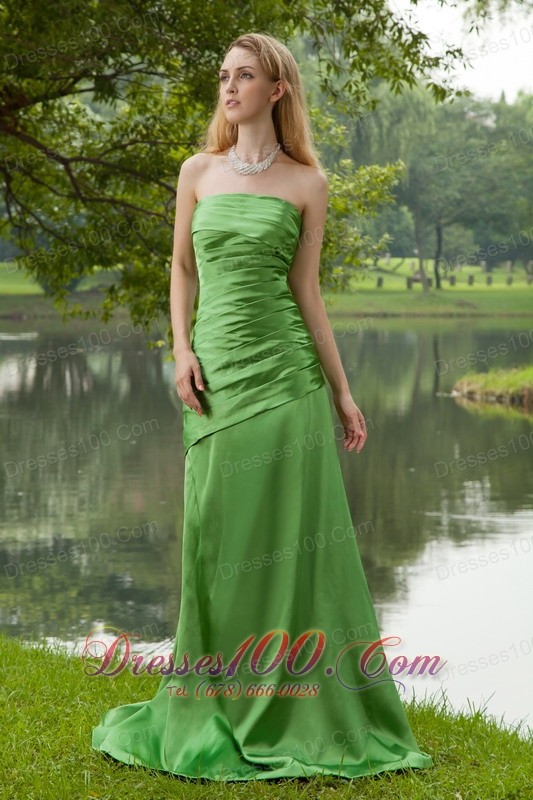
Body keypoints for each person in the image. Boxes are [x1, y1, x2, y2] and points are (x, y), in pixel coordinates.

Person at [91, 31, 434, 782]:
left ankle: (298, 698)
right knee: (215, 533)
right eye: (224, 75)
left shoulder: (308, 184)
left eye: (243, 75)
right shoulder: (197, 171)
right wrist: (181, 351)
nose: (228, 86)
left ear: (276, 89)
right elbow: (181, 269)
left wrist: (342, 391)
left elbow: (306, 292)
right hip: (215, 379)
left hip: (286, 380)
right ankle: (216, 690)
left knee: (292, 539)